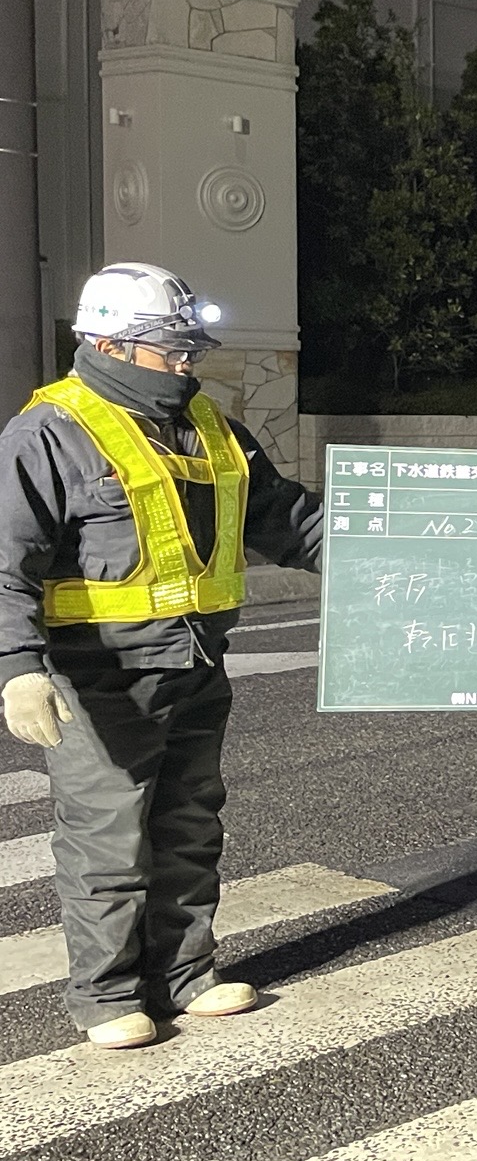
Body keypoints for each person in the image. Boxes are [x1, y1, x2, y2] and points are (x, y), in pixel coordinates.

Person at [0, 264, 323, 1048]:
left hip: (197, 665)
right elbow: (5, 562)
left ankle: (185, 976)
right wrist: (18, 669)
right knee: (106, 837)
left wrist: (408, 552)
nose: (185, 362)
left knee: (188, 824)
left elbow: (290, 522)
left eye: (189, 348)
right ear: (109, 343)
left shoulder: (211, 428)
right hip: (97, 677)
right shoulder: (49, 434)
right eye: (169, 348)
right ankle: (107, 994)